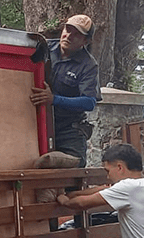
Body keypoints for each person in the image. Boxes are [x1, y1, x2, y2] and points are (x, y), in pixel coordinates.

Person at [30, 14, 101, 166]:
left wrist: (54, 99)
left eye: (77, 34)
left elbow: (89, 102)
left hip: (68, 129)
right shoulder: (44, 47)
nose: (68, 36)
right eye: (67, 30)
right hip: (34, 122)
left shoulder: (89, 65)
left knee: (74, 168)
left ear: (86, 41)